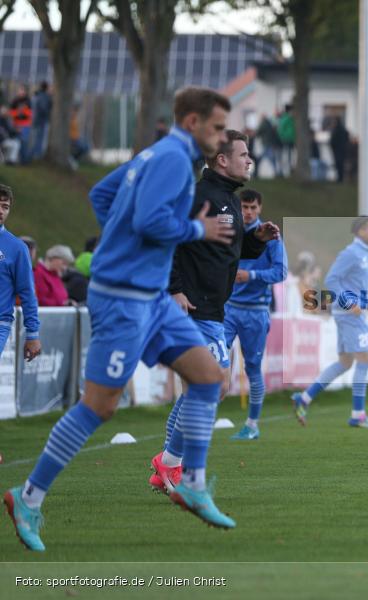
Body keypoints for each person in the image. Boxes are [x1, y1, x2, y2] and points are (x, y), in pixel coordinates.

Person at [4, 87, 238, 552]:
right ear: (193, 123)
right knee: (100, 406)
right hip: (122, 300)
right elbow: (151, 222)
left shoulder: (157, 154)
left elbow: (102, 193)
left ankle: (191, 482)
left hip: (150, 295)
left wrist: (119, 243)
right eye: (216, 128)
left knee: (209, 377)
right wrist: (199, 228)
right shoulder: (173, 160)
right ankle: (27, 497)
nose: (221, 137)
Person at [151, 129, 279, 491]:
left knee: (205, 385)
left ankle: (168, 465)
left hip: (212, 308)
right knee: (214, 384)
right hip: (192, 305)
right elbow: (167, 242)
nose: (250, 160)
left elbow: (226, 249)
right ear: (222, 160)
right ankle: (172, 464)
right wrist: (174, 288)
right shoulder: (197, 196)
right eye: (243, 154)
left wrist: (255, 241)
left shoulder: (229, 200)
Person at [292, 216, 368, 428]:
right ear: (360, 232)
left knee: (345, 362)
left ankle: (304, 398)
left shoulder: (365, 254)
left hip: (349, 313)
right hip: (349, 315)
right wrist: (349, 303)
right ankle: (358, 415)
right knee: (364, 360)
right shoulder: (351, 253)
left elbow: (356, 285)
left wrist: (367, 302)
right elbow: (332, 279)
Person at [223, 189, 287, 439]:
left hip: (256, 312)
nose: (248, 212)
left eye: (253, 207)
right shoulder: (228, 232)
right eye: (244, 207)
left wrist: (251, 275)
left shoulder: (271, 237)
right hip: (228, 308)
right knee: (215, 358)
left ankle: (252, 424)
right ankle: (203, 415)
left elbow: (281, 272)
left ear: (260, 208)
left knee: (252, 367)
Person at [0, 184, 41, 363]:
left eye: (5, 207)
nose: (1, 211)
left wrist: (32, 334)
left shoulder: (17, 248)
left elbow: (27, 292)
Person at [29, 82, 52, 161]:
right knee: (39, 139)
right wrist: (49, 114)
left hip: (33, 120)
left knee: (33, 138)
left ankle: (31, 155)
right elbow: (43, 108)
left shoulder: (35, 95)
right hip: (41, 121)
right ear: (46, 88)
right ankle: (36, 156)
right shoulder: (44, 97)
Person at [329, 117, 350, 183]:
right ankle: (341, 178)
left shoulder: (336, 131)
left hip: (338, 150)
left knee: (339, 165)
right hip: (343, 150)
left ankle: (340, 178)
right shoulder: (343, 130)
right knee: (341, 165)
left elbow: (333, 141)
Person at [277, 105, 295, 175]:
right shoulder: (285, 118)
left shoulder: (290, 118)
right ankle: (287, 170)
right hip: (287, 140)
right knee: (287, 155)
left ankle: (290, 169)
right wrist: (283, 137)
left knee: (291, 155)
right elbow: (281, 130)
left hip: (291, 140)